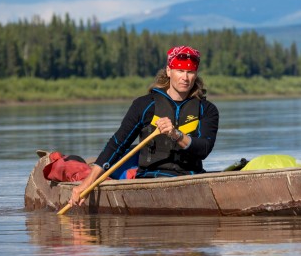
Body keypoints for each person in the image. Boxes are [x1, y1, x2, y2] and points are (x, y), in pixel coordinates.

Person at [69, 45, 219, 207]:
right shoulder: (145, 105)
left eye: (190, 72)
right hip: (151, 179)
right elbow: (117, 145)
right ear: (169, 71)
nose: (185, 77)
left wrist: (177, 135)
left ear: (195, 75)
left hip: (191, 178)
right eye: (180, 71)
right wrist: (87, 183)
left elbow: (204, 149)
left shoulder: (207, 109)